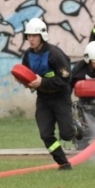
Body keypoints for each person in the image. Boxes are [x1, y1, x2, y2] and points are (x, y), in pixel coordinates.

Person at [21, 17, 77, 170]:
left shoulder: (55, 54)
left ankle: (76, 128)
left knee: (66, 134)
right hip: (43, 99)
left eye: (34, 36)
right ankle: (63, 163)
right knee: (46, 134)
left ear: (42, 36)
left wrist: (42, 82)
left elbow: (66, 79)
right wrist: (25, 82)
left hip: (60, 97)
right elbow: (26, 73)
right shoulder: (28, 55)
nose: (30, 39)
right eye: (29, 36)